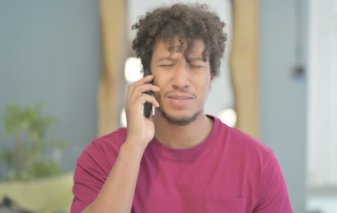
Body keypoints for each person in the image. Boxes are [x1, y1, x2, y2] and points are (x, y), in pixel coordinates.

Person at [71, 3, 292, 213]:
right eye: (167, 64)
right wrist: (134, 146)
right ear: (147, 75)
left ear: (211, 76)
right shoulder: (101, 157)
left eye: (195, 65)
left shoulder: (258, 163)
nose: (180, 80)